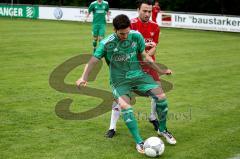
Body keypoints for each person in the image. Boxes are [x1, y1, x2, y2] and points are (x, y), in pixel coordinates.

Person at [76, 14, 174, 153]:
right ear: (115, 30)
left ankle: (162, 130)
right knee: (125, 106)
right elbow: (93, 60)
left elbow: (146, 57)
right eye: (122, 34)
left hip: (139, 76)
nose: (126, 36)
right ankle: (139, 142)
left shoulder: (136, 36)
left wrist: (161, 71)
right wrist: (83, 77)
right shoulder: (106, 43)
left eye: (127, 32)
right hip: (119, 80)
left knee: (162, 98)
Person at [105, 1, 176, 146]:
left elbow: (154, 46)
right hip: (129, 68)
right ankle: (112, 126)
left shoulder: (155, 27)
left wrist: (147, 56)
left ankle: (153, 118)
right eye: (144, 11)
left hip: (148, 64)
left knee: (158, 92)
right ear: (138, 10)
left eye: (149, 11)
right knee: (122, 98)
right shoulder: (130, 26)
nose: (147, 14)